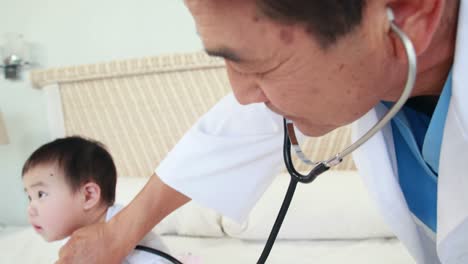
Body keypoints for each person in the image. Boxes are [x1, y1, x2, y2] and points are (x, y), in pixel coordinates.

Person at [56, 0, 467, 263]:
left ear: (410, 12)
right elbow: (225, 136)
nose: (241, 94)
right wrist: (116, 234)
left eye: (257, 66)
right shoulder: (358, 76)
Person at [22, 136, 170, 263]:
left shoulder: (126, 230)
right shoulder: (74, 240)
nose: (30, 209)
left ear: (88, 196)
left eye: (41, 194)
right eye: (30, 197)